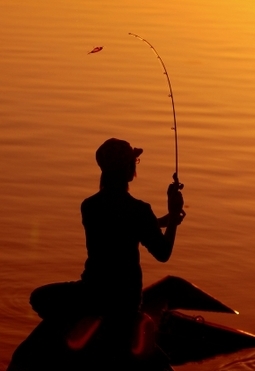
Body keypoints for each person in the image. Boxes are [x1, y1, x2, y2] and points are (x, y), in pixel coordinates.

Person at [29, 138, 185, 362]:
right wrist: (172, 216)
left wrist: (162, 221)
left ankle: (78, 329)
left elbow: (120, 225)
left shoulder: (90, 206)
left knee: (39, 297)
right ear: (130, 171)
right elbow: (163, 253)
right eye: (135, 162)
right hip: (126, 300)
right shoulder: (139, 210)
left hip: (92, 293)